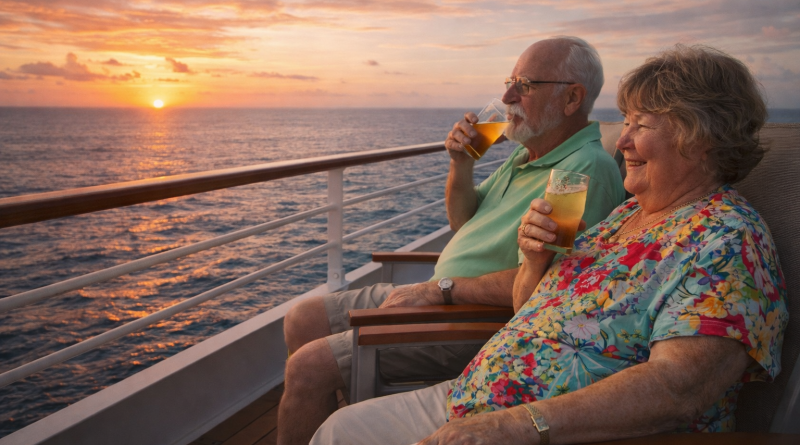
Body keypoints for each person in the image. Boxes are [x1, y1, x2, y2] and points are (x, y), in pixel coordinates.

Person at [310, 44, 789, 445]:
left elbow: (679, 388)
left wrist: (517, 424)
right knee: (339, 430)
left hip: (541, 428)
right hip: (478, 397)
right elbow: (529, 308)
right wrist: (535, 263)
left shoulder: (727, 242)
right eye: (625, 122)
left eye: (640, 125)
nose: (620, 141)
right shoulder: (625, 217)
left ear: (700, 137)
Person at [278, 36, 627, 444]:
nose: (507, 95)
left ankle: (339, 401)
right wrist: (460, 165)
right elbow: (463, 222)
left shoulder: (582, 172)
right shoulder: (524, 155)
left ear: (572, 98)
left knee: (307, 367)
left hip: (477, 320)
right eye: (510, 81)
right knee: (302, 318)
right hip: (439, 296)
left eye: (526, 85)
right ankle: (340, 402)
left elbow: (549, 285)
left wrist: (441, 291)